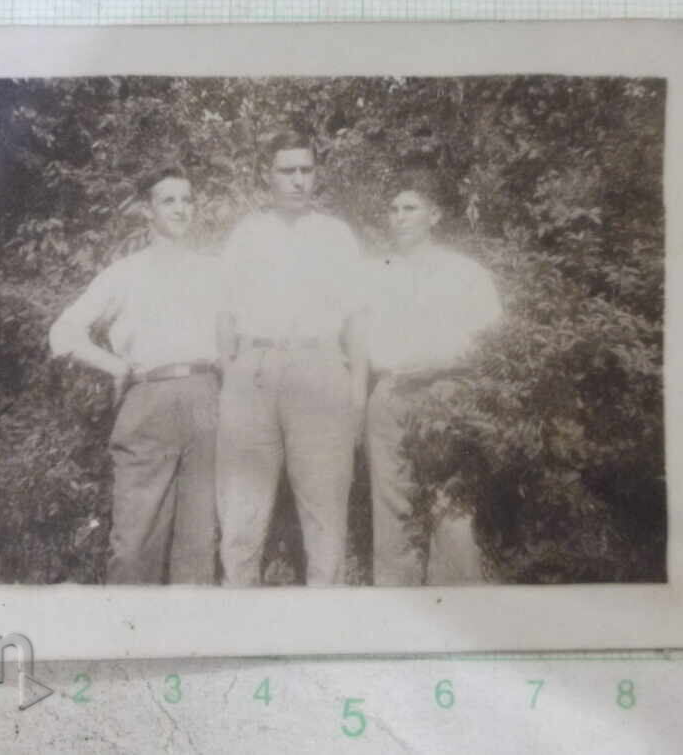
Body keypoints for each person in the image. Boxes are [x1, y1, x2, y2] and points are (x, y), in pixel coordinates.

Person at [48, 164, 220, 585]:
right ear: (148, 211)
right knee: (134, 544)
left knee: (199, 545)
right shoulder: (125, 273)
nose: (180, 209)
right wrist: (116, 365)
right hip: (149, 400)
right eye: (169, 201)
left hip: (208, 401)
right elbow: (63, 332)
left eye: (187, 200)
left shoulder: (214, 270)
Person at [215, 129, 369, 586]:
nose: (298, 180)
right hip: (254, 371)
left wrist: (357, 392)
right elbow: (223, 314)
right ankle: (238, 621)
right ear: (269, 176)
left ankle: (324, 629)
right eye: (288, 171)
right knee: (241, 511)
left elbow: (357, 320)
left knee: (324, 511)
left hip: (320, 369)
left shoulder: (336, 235)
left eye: (306, 170)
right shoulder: (245, 235)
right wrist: (233, 377)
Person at [365, 167, 503, 585]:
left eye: (411, 208)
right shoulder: (373, 272)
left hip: (445, 390)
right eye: (393, 209)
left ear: (435, 215)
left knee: (450, 503)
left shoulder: (464, 272)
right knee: (391, 504)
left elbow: (490, 338)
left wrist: (447, 371)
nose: (400, 216)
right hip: (388, 391)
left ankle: (458, 606)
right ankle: (397, 606)